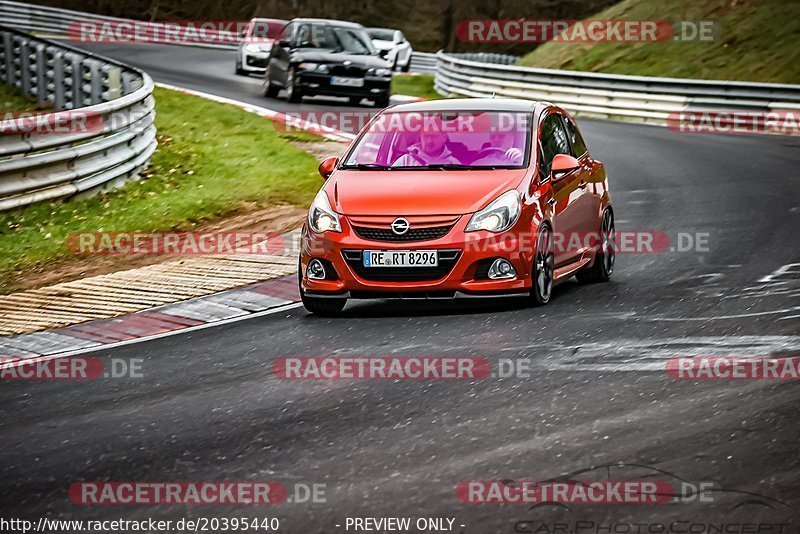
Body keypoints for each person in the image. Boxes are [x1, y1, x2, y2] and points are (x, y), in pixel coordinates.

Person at [392, 130, 460, 167]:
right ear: (420, 137)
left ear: (444, 138)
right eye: (426, 136)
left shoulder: (454, 164)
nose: (429, 141)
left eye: (433, 136)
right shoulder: (405, 161)